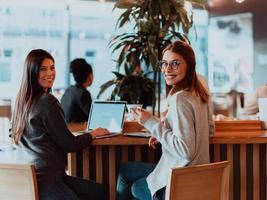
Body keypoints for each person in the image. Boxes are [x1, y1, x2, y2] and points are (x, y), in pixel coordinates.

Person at [116, 41, 213, 200]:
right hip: (197, 176)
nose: (167, 69)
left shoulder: (180, 99)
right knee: (126, 170)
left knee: (134, 187)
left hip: (181, 179)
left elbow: (186, 151)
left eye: (175, 64)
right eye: (164, 63)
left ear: (189, 65)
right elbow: (209, 130)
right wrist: (164, 134)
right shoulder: (197, 93)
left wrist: (150, 122)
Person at [11, 49, 109, 200]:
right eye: (43, 69)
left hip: (30, 180)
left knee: (97, 192)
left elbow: (13, 134)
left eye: (52, 67)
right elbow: (70, 144)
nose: (50, 73)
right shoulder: (47, 101)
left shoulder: (20, 102)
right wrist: (93, 133)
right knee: (100, 193)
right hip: (48, 181)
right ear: (32, 72)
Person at [61, 58, 93, 123]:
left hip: (68, 130)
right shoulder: (83, 93)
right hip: (78, 131)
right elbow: (93, 117)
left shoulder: (69, 90)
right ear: (90, 76)